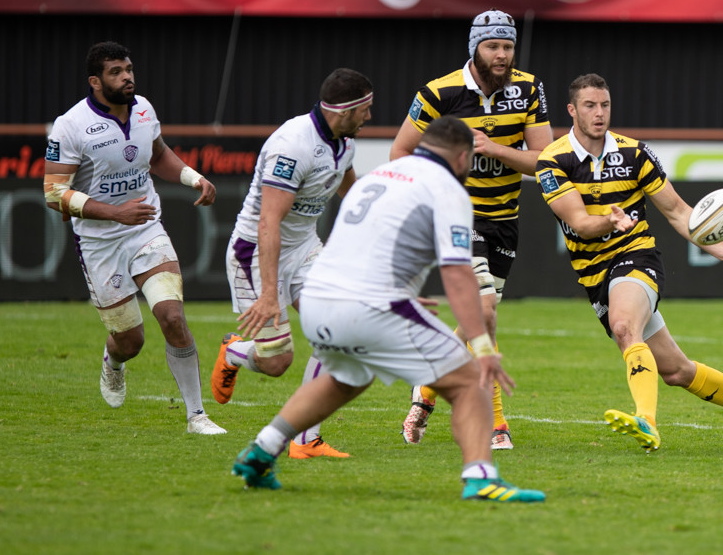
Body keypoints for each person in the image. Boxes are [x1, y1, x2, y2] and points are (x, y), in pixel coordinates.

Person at [231, 115, 546, 503]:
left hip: (318, 299)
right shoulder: (448, 190)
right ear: (463, 158)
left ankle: (261, 451)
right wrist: (482, 348)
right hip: (370, 306)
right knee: (470, 382)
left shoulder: (383, 175)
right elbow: (458, 274)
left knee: (346, 378)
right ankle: (481, 478)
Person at [534, 73, 723, 454]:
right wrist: (609, 220)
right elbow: (580, 224)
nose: (599, 113)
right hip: (593, 274)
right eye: (590, 105)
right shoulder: (552, 160)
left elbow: (678, 211)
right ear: (572, 110)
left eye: (604, 105)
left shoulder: (635, 153)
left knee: (624, 327)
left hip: (637, 257)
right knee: (676, 370)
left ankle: (647, 422)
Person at [390, 10, 553, 451]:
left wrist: (494, 149)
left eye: (508, 46)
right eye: (492, 46)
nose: (501, 55)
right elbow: (401, 152)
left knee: (477, 315)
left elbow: (544, 162)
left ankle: (425, 389)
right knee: (483, 312)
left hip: (505, 220)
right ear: (473, 48)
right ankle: (496, 422)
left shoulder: (528, 88)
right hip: (457, 217)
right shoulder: (438, 93)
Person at [44, 41, 224, 435]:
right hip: (99, 241)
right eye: (115, 72)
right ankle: (114, 362)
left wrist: (194, 177)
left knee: (172, 317)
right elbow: (54, 192)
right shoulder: (71, 125)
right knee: (130, 341)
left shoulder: (143, 108)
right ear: (95, 81)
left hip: (146, 228)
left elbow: (158, 155)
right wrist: (114, 213)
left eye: (128, 69)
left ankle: (197, 416)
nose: (126, 77)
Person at [210, 68, 371, 460]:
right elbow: (269, 222)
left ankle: (305, 441)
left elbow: (351, 193)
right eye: (366, 108)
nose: (370, 115)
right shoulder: (293, 145)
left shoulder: (343, 141)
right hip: (256, 252)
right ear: (346, 110)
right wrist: (269, 293)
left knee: (337, 332)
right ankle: (234, 353)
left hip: (303, 249)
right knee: (278, 361)